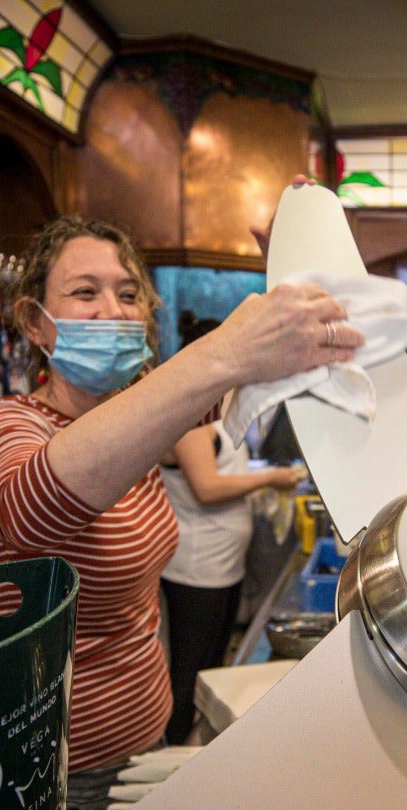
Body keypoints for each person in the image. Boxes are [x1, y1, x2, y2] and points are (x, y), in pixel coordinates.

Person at [0, 211, 362, 810]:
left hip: (146, 732)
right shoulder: (10, 424)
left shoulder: (139, 413)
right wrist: (220, 351)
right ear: (34, 322)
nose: (112, 312)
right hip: (60, 766)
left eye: (128, 295)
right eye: (85, 292)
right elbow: (32, 513)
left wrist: (306, 266)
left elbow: (270, 378)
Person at [159, 313, 306, 744]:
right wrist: (271, 479)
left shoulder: (221, 411)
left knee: (212, 663)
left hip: (223, 566)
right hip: (196, 568)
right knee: (190, 671)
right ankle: (176, 754)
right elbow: (207, 487)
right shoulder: (190, 417)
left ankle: (197, 748)